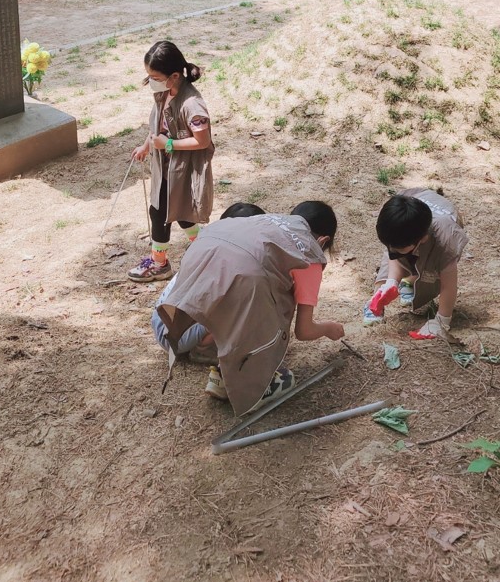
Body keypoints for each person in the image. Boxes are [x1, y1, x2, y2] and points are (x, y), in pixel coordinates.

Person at [156, 202, 345, 416]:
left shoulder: (263, 222)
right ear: (323, 241)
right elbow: (304, 330)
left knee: (250, 295)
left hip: (196, 263)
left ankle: (217, 362)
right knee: (270, 312)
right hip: (238, 290)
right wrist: (329, 329)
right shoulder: (309, 252)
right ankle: (233, 374)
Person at [128, 40, 214, 282]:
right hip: (165, 166)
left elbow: (202, 141)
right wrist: (147, 145)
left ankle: (159, 263)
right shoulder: (164, 92)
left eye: (154, 76)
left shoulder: (192, 104)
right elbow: (158, 124)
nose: (151, 81)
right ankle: (206, 247)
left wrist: (166, 145)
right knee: (181, 212)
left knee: (160, 212)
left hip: (182, 169)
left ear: (175, 75)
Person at [150, 203, 265, 364]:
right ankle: (203, 348)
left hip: (161, 320)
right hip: (173, 335)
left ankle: (200, 340)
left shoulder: (207, 245)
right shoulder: (230, 262)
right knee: (242, 306)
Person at [362, 187, 468, 339]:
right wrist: (391, 281)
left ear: (422, 239)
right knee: (396, 256)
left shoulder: (445, 241)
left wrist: (442, 320)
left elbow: (448, 285)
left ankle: (411, 281)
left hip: (442, 226)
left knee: (428, 270)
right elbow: (393, 255)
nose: (392, 250)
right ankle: (376, 303)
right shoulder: (396, 219)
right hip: (417, 213)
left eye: (397, 247)